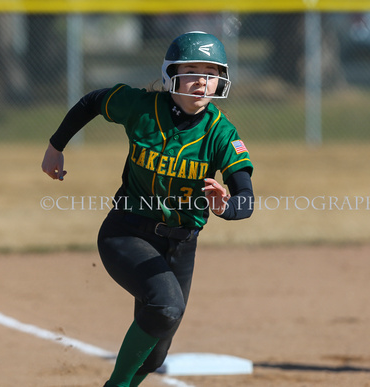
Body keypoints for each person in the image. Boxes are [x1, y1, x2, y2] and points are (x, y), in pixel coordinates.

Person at [41, 31, 254, 387]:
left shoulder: (221, 133)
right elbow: (93, 101)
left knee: (156, 351)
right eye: (193, 70)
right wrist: (55, 146)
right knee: (166, 306)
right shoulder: (141, 107)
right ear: (171, 74)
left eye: (212, 72)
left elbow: (245, 198)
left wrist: (227, 206)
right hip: (126, 231)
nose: (203, 80)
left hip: (181, 246)